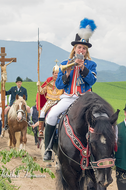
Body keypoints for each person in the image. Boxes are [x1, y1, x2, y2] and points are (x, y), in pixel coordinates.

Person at [43, 18, 97, 162]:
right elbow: (60, 86)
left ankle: (101, 151)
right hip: (68, 98)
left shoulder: (91, 65)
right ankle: (48, 148)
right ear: (74, 49)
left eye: (84, 48)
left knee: (100, 118)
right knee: (52, 116)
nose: (81, 50)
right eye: (79, 47)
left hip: (85, 98)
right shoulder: (64, 64)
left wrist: (83, 68)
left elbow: (92, 81)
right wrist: (67, 72)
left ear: (86, 51)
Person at [36, 63, 64, 137]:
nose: (56, 75)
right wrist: (39, 86)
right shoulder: (49, 81)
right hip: (50, 101)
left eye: (58, 73)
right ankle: (41, 130)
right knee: (42, 112)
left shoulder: (62, 80)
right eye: (55, 73)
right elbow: (42, 92)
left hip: (60, 100)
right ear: (53, 73)